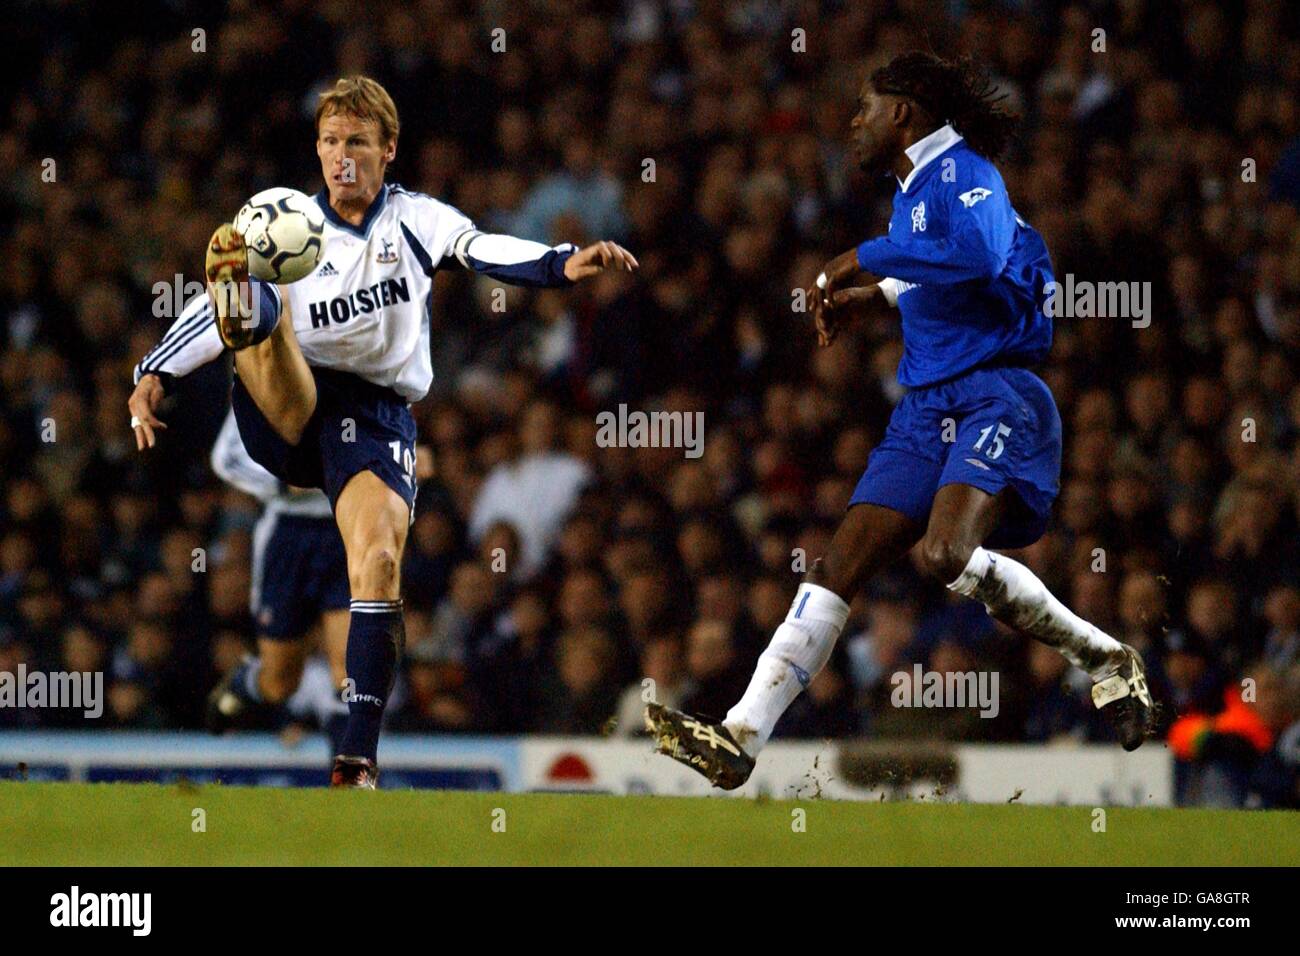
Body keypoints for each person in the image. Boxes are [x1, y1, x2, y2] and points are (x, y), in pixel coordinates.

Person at [646, 52, 1155, 790]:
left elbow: (979, 257)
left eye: (865, 108)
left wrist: (858, 257)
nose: (853, 122)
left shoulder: (965, 172)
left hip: (994, 394)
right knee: (835, 566)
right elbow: (944, 272)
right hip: (925, 408)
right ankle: (740, 736)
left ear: (905, 113)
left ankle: (1107, 659)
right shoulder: (915, 189)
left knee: (944, 556)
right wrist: (879, 296)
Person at [128, 75, 637, 788]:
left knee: (380, 564)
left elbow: (478, 245)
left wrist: (558, 263)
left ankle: (356, 761)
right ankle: (251, 313)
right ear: (318, 146)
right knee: (255, 307)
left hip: (371, 420)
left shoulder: (412, 220)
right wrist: (155, 373)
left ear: (387, 149)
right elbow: (204, 306)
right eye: (332, 141)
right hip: (286, 407)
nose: (343, 157)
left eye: (358, 143)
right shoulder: (289, 226)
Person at [205, 408, 351, 756]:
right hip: (288, 536)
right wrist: (284, 481)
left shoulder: (360, 375)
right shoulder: (263, 387)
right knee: (281, 680)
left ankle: (349, 777)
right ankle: (244, 683)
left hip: (348, 530)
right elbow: (227, 458)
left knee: (352, 668)